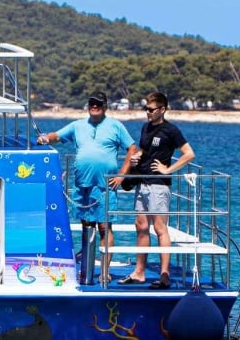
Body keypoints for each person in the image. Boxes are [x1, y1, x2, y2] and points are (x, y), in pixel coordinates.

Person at [37, 92, 134, 284]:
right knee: (86, 226)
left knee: (105, 227)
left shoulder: (115, 126)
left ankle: (104, 270)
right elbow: (57, 136)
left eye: (98, 104)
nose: (94, 106)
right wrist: (45, 138)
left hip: (105, 186)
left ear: (105, 106)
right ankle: (86, 267)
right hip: (82, 185)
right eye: (92, 103)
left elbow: (132, 147)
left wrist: (122, 174)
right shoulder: (77, 125)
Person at [111, 91, 195, 290]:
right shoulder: (146, 128)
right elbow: (145, 151)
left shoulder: (171, 130)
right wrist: (137, 158)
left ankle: (164, 275)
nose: (147, 113)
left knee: (160, 228)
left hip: (159, 184)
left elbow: (189, 154)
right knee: (140, 226)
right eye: (146, 109)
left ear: (162, 110)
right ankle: (139, 272)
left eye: (151, 109)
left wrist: (168, 169)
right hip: (142, 182)